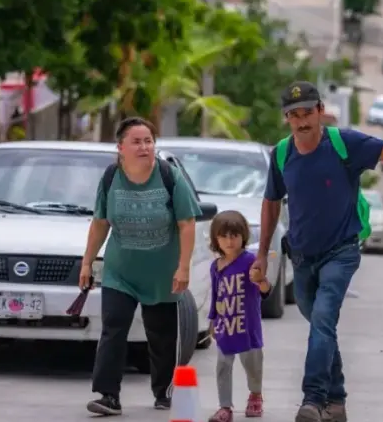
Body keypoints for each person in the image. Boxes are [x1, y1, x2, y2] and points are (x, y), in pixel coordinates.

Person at [252, 81, 383, 422]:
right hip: (302, 256)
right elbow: (271, 202)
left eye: (308, 112)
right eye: (294, 115)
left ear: (321, 111)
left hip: (341, 251)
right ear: (287, 119)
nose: (302, 121)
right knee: (322, 327)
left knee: (323, 319)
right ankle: (336, 401)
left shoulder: (344, 144)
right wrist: (263, 253)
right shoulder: (282, 154)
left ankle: (313, 398)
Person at [80, 117, 202, 416]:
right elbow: (99, 223)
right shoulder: (111, 178)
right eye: (137, 141)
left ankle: (164, 391)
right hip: (120, 272)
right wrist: (87, 263)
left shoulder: (169, 176)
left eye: (148, 140)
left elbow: (186, 224)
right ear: (121, 147)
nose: (144, 146)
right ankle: (108, 395)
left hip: (162, 275)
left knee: (162, 337)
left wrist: (183, 267)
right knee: (113, 328)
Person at [206, 210, 273, 422]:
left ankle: (255, 395)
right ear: (216, 239)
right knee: (223, 366)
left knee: (253, 365)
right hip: (225, 325)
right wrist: (212, 320)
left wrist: (260, 280)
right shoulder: (215, 266)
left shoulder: (251, 261)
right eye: (223, 236)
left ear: (243, 236)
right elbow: (216, 295)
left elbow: (265, 290)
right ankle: (225, 406)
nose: (229, 241)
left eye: (234, 235)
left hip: (248, 326)